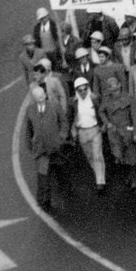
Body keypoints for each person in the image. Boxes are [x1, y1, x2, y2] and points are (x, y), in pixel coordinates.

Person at [25, 81, 69, 210]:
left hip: (56, 147)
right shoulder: (30, 110)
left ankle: (67, 191)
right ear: (34, 98)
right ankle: (44, 202)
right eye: (38, 98)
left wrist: (61, 137)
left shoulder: (54, 105)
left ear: (45, 94)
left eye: (42, 96)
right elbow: (29, 130)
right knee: (43, 176)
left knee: (61, 170)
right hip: (41, 149)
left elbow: (64, 122)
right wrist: (30, 146)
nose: (41, 99)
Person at [99, 75, 136, 189]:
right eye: (112, 90)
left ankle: (134, 178)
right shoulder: (106, 100)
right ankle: (128, 176)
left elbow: (135, 115)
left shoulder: (128, 97)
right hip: (114, 133)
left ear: (120, 86)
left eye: (116, 89)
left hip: (127, 130)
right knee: (119, 156)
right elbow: (101, 111)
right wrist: (107, 123)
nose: (115, 92)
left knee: (131, 155)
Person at [70, 76, 107, 192]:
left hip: (95, 130)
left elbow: (101, 111)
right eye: (80, 90)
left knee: (97, 156)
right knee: (90, 156)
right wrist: (73, 131)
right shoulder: (73, 102)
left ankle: (100, 181)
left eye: (85, 89)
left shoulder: (95, 99)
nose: (83, 92)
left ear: (88, 88)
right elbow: (71, 117)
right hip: (82, 132)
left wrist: (103, 125)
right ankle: (98, 173)